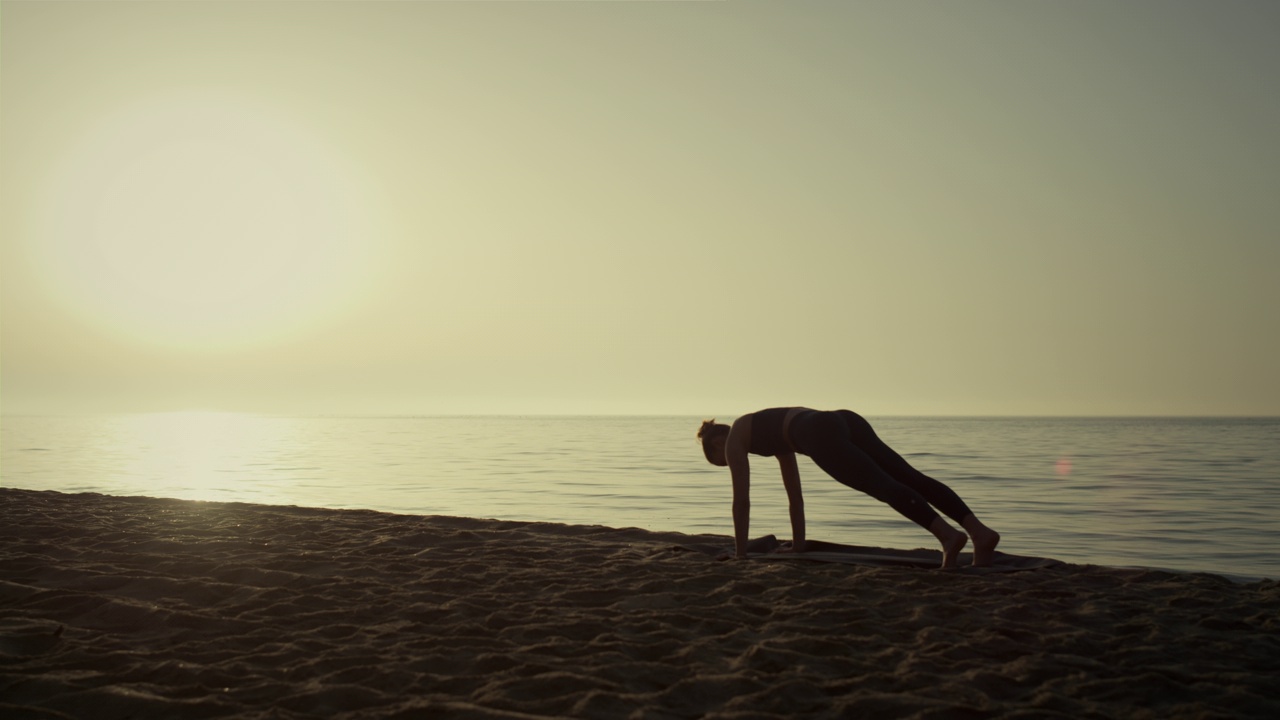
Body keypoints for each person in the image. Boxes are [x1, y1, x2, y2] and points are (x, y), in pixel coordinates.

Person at [697, 407, 1000, 568]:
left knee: (882, 484)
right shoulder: (765, 430)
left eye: (718, 455)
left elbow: (741, 501)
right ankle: (980, 533)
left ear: (721, 441)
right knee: (908, 476)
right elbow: (794, 495)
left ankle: (947, 536)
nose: (725, 458)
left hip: (819, 431)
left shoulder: (736, 437)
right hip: (841, 419)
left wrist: (740, 556)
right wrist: (799, 545)